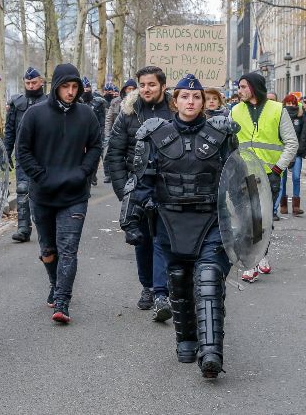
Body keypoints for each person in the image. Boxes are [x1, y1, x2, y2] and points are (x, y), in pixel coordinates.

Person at [119, 74, 238, 378]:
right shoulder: (156, 135)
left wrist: (247, 222)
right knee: (179, 282)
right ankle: (186, 340)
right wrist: (130, 220)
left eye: (196, 97)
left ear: (203, 102)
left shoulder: (222, 134)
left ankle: (211, 352)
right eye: (185, 97)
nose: (191, 102)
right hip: (169, 222)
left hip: (210, 220)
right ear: (175, 102)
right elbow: (141, 180)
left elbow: (237, 180)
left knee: (209, 280)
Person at [15, 63, 102, 323]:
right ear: (55, 87)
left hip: (75, 195)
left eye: (75, 87)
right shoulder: (35, 114)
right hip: (42, 194)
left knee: (69, 249)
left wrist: (83, 173)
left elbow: (97, 146)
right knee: (48, 248)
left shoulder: (87, 115)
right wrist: (41, 176)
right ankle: (54, 283)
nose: (71, 92)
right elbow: (23, 150)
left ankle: (63, 301)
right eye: (66, 86)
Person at [105, 66, 173, 318]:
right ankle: (148, 286)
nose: (146, 89)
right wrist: (125, 192)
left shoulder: (175, 110)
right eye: (143, 84)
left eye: (152, 85)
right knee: (142, 241)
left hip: (168, 188)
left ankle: (161, 292)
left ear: (162, 86)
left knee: (163, 240)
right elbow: (114, 153)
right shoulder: (127, 113)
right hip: (137, 188)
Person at [230, 72, 298, 281]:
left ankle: (261, 255)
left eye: (243, 86)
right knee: (247, 218)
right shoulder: (235, 110)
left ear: (253, 87)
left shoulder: (277, 109)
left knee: (263, 218)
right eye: (238, 87)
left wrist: (278, 168)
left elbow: (291, 143)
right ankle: (251, 262)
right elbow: (230, 142)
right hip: (243, 173)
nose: (239, 91)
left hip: (270, 174)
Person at [4, 67, 49, 243]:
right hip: (23, 154)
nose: (31, 86)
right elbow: (10, 131)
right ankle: (23, 228)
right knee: (22, 190)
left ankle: (46, 227)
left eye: (34, 82)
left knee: (44, 190)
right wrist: (6, 153)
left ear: (41, 82)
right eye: (28, 83)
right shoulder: (17, 103)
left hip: (45, 155)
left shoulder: (50, 102)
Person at [276, 93, 306, 216]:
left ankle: (296, 206)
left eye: (293, 103)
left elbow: (304, 134)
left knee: (296, 177)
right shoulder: (280, 116)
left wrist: (301, 149)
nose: (290, 105)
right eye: (288, 103)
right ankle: (283, 205)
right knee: (282, 179)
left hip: (297, 152)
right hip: (283, 152)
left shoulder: (301, 117)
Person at [103, 79, 138, 184]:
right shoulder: (115, 102)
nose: (130, 91)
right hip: (116, 133)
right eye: (129, 89)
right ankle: (108, 174)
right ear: (125, 89)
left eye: (133, 89)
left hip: (131, 133)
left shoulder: (139, 102)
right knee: (108, 154)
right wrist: (108, 133)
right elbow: (109, 119)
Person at [81, 83, 109, 186]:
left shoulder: (98, 103)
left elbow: (102, 121)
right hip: (81, 134)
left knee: (95, 155)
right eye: (83, 88)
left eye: (87, 88)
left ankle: (93, 174)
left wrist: (101, 133)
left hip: (95, 133)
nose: (85, 90)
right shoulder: (78, 102)